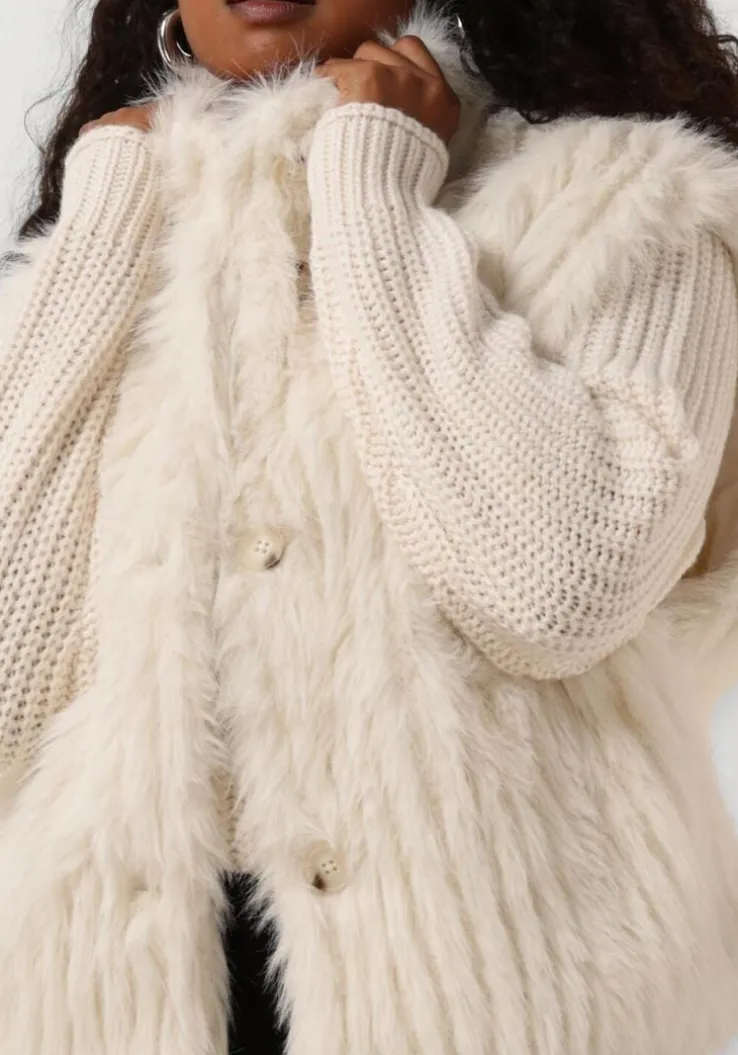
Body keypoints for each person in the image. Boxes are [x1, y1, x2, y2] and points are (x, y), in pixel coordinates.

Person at [1, 0, 738, 1051]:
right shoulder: (107, 238)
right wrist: (98, 235)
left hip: (497, 1001)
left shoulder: (625, 201)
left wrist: (370, 192)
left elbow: (561, 591)